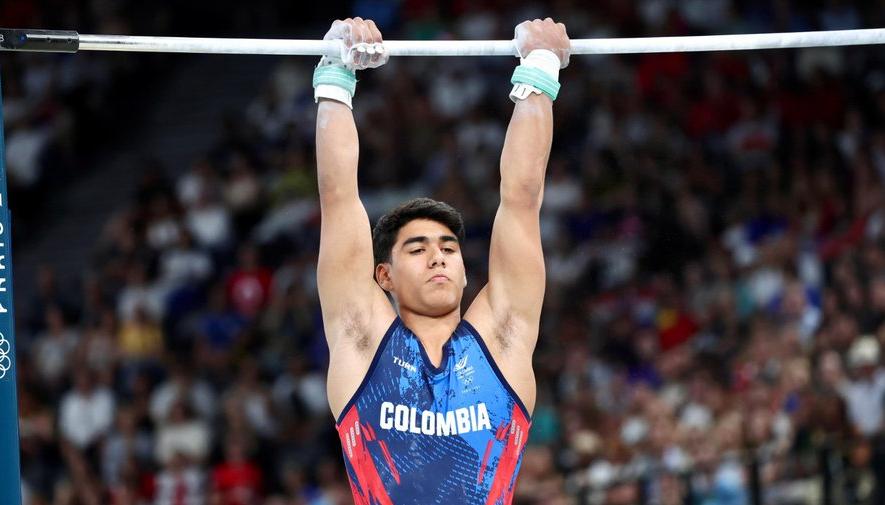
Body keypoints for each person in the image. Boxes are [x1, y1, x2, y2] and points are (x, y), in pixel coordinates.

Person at [313, 16, 570, 504]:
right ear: (382, 274)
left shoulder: (504, 338)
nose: (438, 257)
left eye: (449, 248)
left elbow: (521, 199)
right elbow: (338, 198)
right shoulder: (361, 339)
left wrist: (540, 71)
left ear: (465, 270)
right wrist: (335, 74)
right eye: (418, 248)